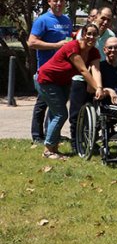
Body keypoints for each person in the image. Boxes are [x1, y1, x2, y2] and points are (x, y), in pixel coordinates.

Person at [37, 23, 104, 159]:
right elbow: (83, 70)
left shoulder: (94, 52)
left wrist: (100, 88)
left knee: (54, 113)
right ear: (83, 34)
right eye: (88, 33)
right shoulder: (73, 46)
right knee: (61, 114)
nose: (91, 37)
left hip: (63, 82)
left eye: (94, 34)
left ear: (98, 36)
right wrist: (96, 88)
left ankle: (53, 147)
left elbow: (96, 70)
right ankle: (48, 149)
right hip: (47, 79)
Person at [28, 0, 74, 143]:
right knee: (42, 104)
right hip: (46, 70)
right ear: (49, 2)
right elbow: (32, 42)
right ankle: (37, 136)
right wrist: (55, 45)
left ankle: (52, 134)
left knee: (58, 104)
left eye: (62, 0)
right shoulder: (43, 20)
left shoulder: (67, 20)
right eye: (55, 0)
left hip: (63, 71)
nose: (59, 3)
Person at [68, 7, 115, 152]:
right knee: (76, 113)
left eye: (109, 19)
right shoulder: (85, 33)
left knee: (96, 113)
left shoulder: (110, 35)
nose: (105, 22)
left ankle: (90, 141)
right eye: (103, 18)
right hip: (80, 77)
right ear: (96, 17)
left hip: (98, 77)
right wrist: (90, 81)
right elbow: (81, 62)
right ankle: (76, 143)